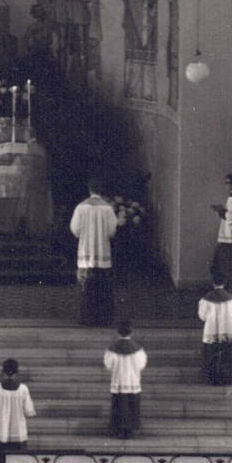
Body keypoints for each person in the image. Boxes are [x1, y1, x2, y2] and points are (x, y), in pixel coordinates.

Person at [69, 176, 118, 326]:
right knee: (103, 286)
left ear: (89, 189)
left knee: (85, 285)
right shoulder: (107, 208)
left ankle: (85, 318)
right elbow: (112, 231)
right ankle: (103, 318)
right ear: (102, 190)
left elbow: (75, 230)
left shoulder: (81, 207)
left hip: (85, 253)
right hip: (103, 252)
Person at [104, 319, 147, 440]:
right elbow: (141, 365)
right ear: (131, 332)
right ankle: (130, 430)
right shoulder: (138, 350)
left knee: (119, 406)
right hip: (133, 382)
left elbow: (108, 365)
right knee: (131, 406)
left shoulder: (112, 349)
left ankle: (118, 429)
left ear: (117, 332)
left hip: (118, 381)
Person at [199, 271, 232, 385]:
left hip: (210, 331)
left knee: (211, 356)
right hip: (227, 331)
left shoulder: (205, 299)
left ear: (213, 283)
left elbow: (202, 316)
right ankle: (226, 379)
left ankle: (211, 379)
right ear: (225, 283)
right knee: (226, 356)